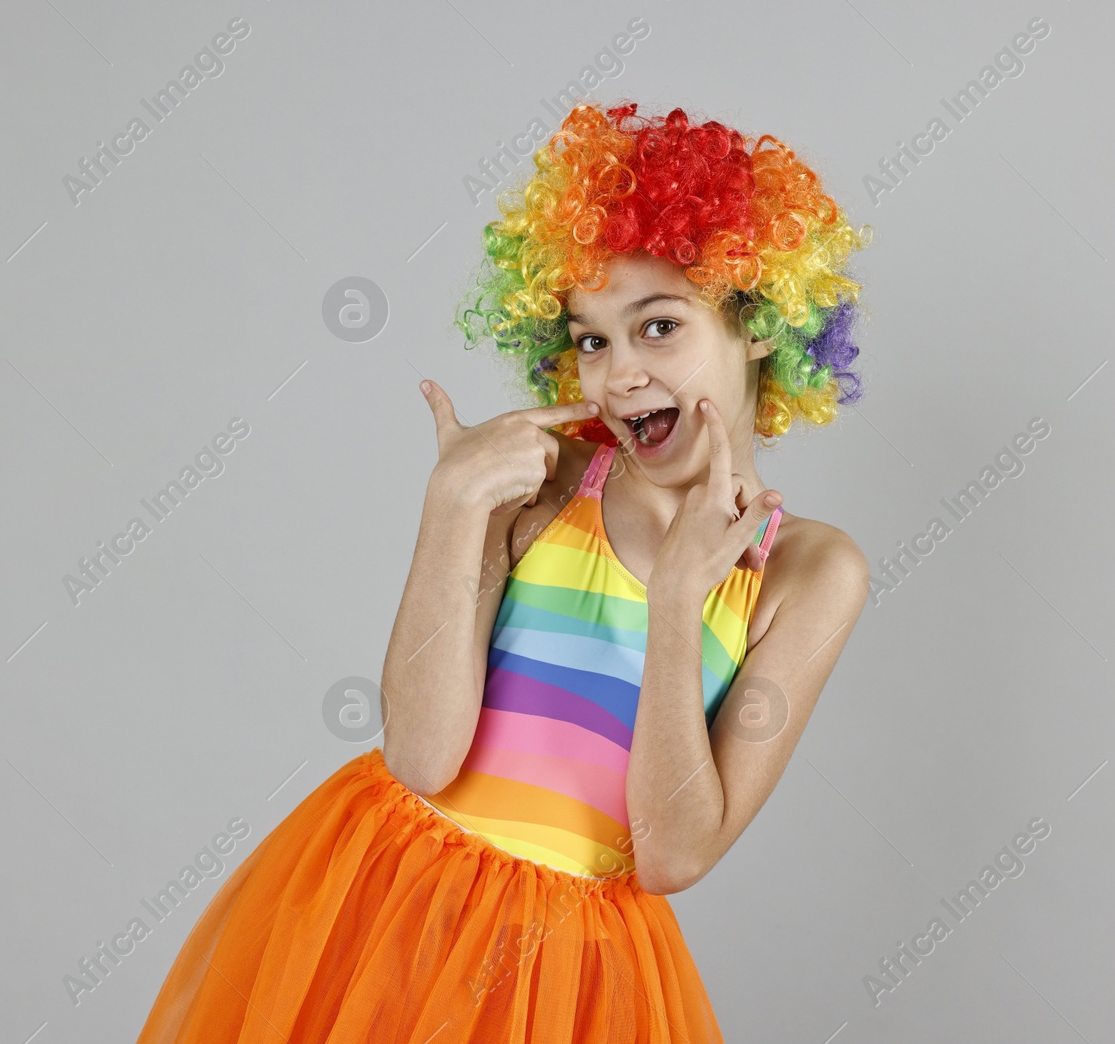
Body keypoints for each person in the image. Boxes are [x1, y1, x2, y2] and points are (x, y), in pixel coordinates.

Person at [137, 101, 873, 1043]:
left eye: (658, 327)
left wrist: (681, 601)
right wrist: (453, 510)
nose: (617, 375)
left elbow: (675, 852)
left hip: (569, 979)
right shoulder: (546, 484)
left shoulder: (808, 571)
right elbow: (421, 754)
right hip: (386, 912)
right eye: (592, 339)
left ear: (762, 320)